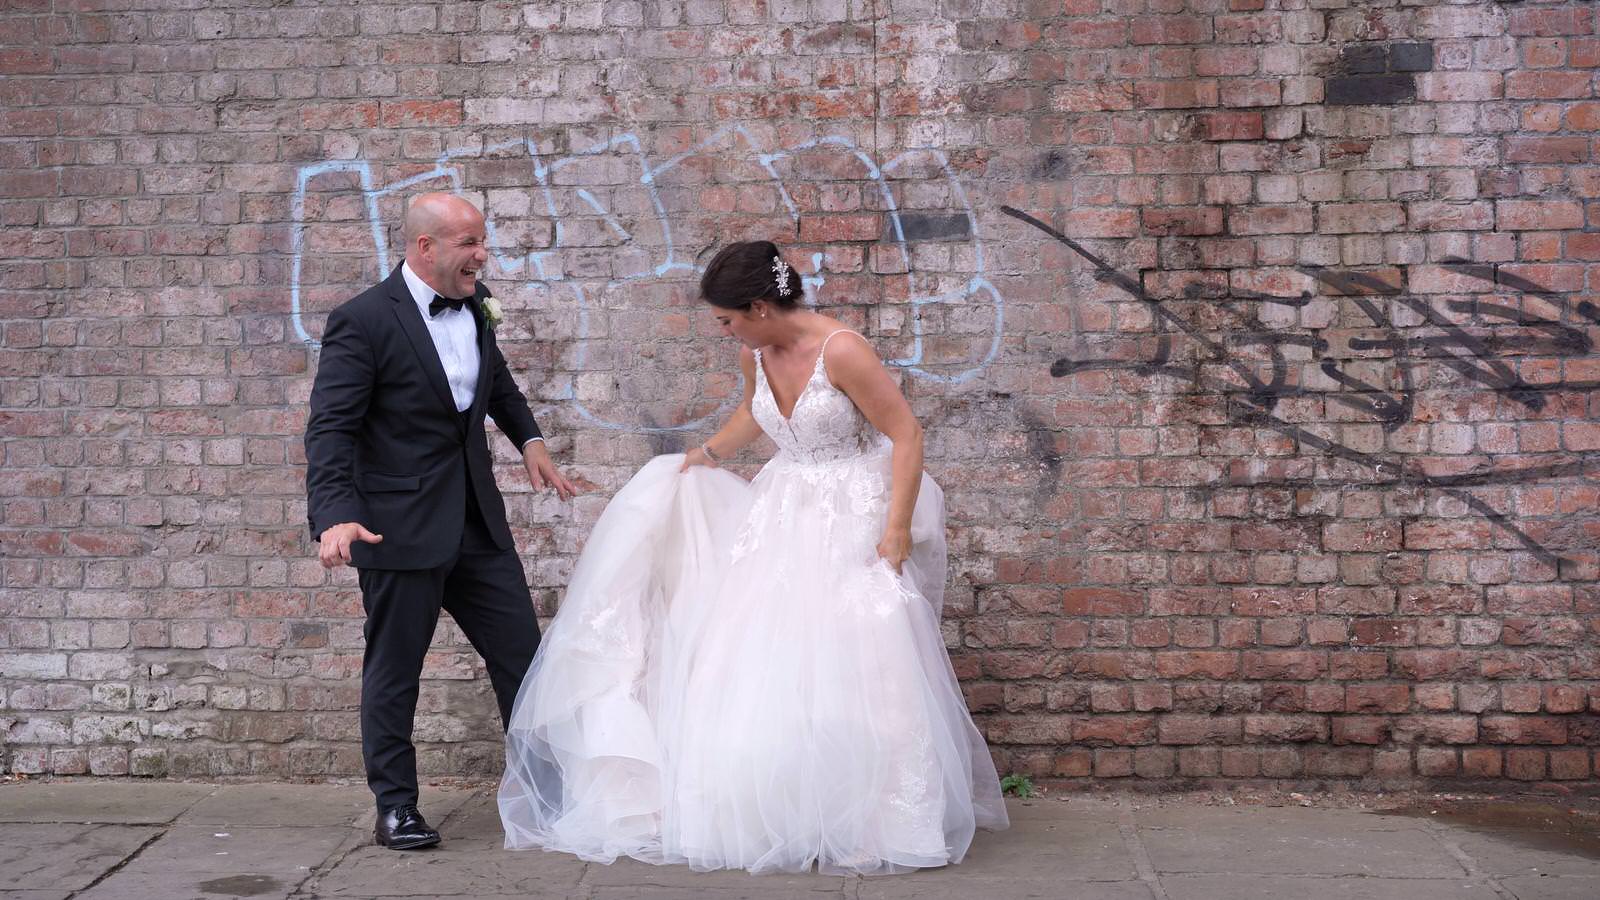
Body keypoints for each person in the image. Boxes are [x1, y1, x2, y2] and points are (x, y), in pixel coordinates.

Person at [498, 240, 1008, 874]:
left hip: (852, 507)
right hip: (783, 507)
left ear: (761, 306)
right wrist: (701, 458)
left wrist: (896, 529)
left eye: (727, 319)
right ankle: (789, 805)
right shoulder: (755, 354)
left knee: (862, 659)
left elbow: (906, 433)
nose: (725, 331)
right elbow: (753, 416)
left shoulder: (841, 350)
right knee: (764, 655)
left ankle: (878, 817)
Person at [305, 192, 576, 850]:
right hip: (396, 527)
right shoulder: (362, 322)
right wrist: (334, 516)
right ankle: (395, 807)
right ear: (425, 247)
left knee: (524, 659)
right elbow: (331, 430)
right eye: (469, 244)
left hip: (477, 523)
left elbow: (498, 384)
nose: (482, 255)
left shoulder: (478, 308)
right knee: (396, 672)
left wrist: (531, 442)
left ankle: (547, 798)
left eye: (483, 242)